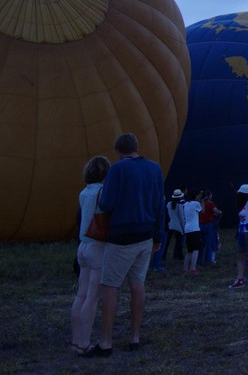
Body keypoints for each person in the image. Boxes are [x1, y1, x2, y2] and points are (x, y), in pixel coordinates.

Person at [82, 132, 165, 357]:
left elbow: (107, 204)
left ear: (118, 150)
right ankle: (134, 338)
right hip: (146, 236)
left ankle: (105, 343)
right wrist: (158, 236)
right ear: (136, 147)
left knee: (109, 287)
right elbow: (160, 204)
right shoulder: (155, 168)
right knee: (137, 285)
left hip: (122, 237)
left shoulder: (117, 169)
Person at [70, 155, 110, 354]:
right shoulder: (103, 192)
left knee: (81, 295)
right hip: (97, 246)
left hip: (83, 246)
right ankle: (85, 344)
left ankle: (76, 341)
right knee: (92, 298)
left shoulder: (84, 192)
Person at [181, 193, 203, 273]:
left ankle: (185, 268)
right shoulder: (196, 203)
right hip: (195, 229)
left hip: (187, 229)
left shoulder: (185, 204)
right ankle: (193, 268)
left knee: (189, 250)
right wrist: (202, 201)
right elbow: (202, 210)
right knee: (196, 249)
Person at [198, 190, 221, 266]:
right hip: (208, 225)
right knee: (209, 244)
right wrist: (220, 212)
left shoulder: (200, 204)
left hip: (201, 225)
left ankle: (199, 260)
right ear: (208, 196)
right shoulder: (211, 204)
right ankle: (207, 261)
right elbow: (216, 211)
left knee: (201, 244)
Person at [163, 190, 185, 263]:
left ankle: (163, 256)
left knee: (167, 242)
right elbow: (181, 218)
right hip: (177, 226)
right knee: (179, 243)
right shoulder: (180, 206)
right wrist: (183, 227)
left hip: (170, 225)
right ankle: (181, 257)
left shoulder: (168, 204)